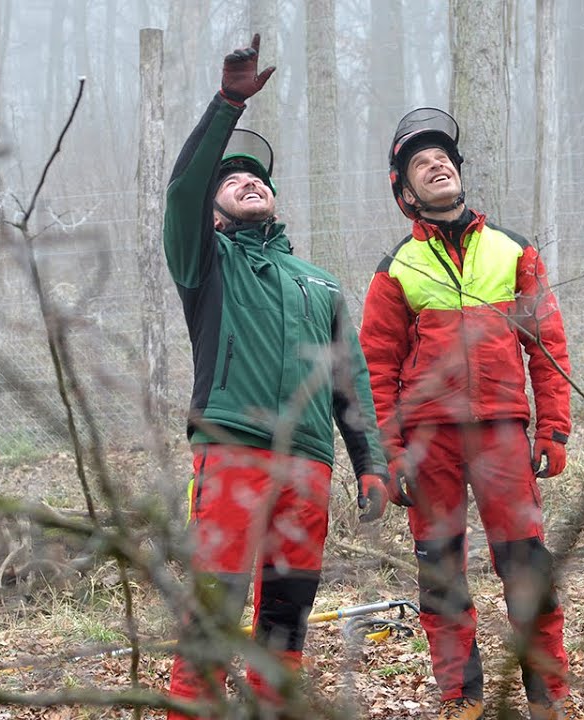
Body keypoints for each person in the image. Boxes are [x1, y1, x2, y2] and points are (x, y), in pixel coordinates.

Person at [162, 34, 391, 720]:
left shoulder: (318, 283)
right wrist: (228, 102)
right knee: (217, 608)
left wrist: (370, 463)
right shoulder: (204, 262)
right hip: (233, 450)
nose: (248, 181)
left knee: (287, 619)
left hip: (310, 470)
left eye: (257, 177)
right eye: (231, 180)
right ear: (212, 209)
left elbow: (351, 380)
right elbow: (182, 187)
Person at [359, 107, 584, 720]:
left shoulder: (514, 250)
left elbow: (548, 347)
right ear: (405, 192)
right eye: (420, 163)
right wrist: (391, 452)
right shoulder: (394, 270)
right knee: (441, 570)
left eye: (444, 159)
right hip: (427, 441)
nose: (437, 165)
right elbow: (375, 369)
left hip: (503, 434)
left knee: (526, 561)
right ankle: (463, 697)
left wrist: (554, 427)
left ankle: (547, 694)